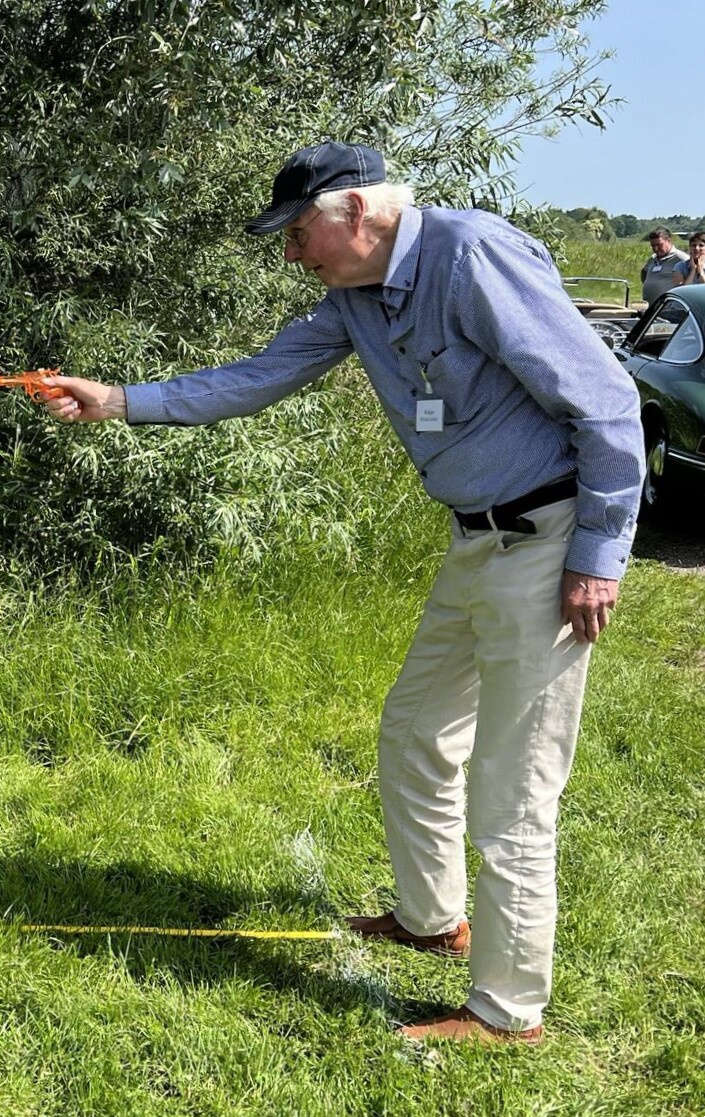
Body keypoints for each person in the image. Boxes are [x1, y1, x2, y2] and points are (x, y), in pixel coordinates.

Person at [38, 142, 645, 1047]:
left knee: (513, 784)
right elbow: (255, 377)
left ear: (354, 211)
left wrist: (597, 553)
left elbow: (605, 402)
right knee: (414, 730)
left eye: (296, 233)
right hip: (476, 540)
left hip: (549, 542)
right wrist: (118, 400)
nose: (291, 255)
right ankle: (430, 919)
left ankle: (507, 1011)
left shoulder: (471, 255)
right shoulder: (355, 298)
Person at [642, 227, 687, 302]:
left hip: (670, 306)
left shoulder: (681, 258)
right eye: (653, 246)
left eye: (659, 245)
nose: (656, 249)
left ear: (668, 241)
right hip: (651, 305)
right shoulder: (653, 258)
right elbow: (644, 272)